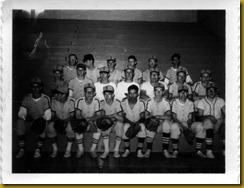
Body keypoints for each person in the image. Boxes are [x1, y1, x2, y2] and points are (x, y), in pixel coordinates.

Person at [15, 77, 51, 158]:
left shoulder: (45, 98)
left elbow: (48, 115)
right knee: (19, 122)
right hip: (30, 122)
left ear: (41, 87)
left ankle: (38, 150)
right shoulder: (27, 97)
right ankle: (22, 149)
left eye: (37, 86)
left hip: (40, 121)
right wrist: (25, 116)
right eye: (33, 87)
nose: (35, 89)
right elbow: (21, 112)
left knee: (43, 123)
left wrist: (40, 118)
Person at [171, 85, 207, 158]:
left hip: (187, 122)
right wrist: (183, 127)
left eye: (185, 92)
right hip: (177, 122)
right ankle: (175, 150)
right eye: (181, 92)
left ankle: (198, 150)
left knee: (200, 126)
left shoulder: (190, 103)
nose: (183, 94)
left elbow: (190, 118)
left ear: (187, 94)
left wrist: (189, 128)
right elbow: (174, 117)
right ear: (178, 94)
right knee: (174, 127)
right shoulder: (174, 102)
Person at [46, 82, 76, 158]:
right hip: (58, 120)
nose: (55, 95)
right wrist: (57, 120)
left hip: (68, 121)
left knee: (71, 127)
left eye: (57, 94)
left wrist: (65, 121)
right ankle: (55, 149)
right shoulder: (53, 100)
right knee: (50, 126)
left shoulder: (72, 101)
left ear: (63, 95)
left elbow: (72, 116)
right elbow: (53, 115)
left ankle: (68, 149)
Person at [197, 82, 225, 158]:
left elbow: (226, 112)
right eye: (209, 90)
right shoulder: (202, 101)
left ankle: (224, 150)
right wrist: (208, 116)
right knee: (208, 122)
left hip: (218, 123)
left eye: (213, 90)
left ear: (216, 91)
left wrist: (223, 120)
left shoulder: (220, 100)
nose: (211, 92)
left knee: (226, 126)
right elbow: (199, 117)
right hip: (206, 123)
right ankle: (209, 151)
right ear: (206, 91)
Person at [144, 82, 172, 158]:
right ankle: (148, 150)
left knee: (167, 123)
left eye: (160, 90)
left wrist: (158, 117)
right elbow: (146, 116)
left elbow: (169, 117)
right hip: (153, 124)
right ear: (154, 92)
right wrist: (154, 119)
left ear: (163, 92)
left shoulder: (166, 102)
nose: (158, 92)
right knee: (151, 122)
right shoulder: (149, 101)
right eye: (156, 90)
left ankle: (165, 150)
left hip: (162, 125)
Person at [75, 83, 102, 158]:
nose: (89, 94)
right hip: (82, 120)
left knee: (99, 126)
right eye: (87, 92)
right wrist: (88, 121)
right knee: (78, 125)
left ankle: (93, 149)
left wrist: (90, 120)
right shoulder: (79, 100)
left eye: (91, 92)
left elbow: (99, 115)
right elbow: (77, 115)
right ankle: (80, 149)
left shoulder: (96, 100)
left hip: (92, 120)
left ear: (94, 93)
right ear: (84, 93)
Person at [121, 85, 146, 158]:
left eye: (134, 93)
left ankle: (139, 150)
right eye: (130, 93)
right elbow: (123, 117)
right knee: (125, 127)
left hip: (138, 122)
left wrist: (137, 124)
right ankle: (127, 149)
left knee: (142, 127)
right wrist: (131, 124)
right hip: (128, 122)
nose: (132, 95)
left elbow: (142, 116)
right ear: (128, 94)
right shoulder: (123, 102)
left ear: (137, 94)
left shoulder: (141, 102)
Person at [99, 85, 124, 158]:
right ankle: (106, 150)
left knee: (120, 124)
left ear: (113, 95)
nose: (107, 96)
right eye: (105, 94)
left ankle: (116, 150)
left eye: (109, 94)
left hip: (115, 124)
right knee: (104, 122)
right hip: (108, 124)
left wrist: (110, 116)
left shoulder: (117, 102)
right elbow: (102, 116)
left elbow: (121, 119)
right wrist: (114, 115)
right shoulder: (102, 103)